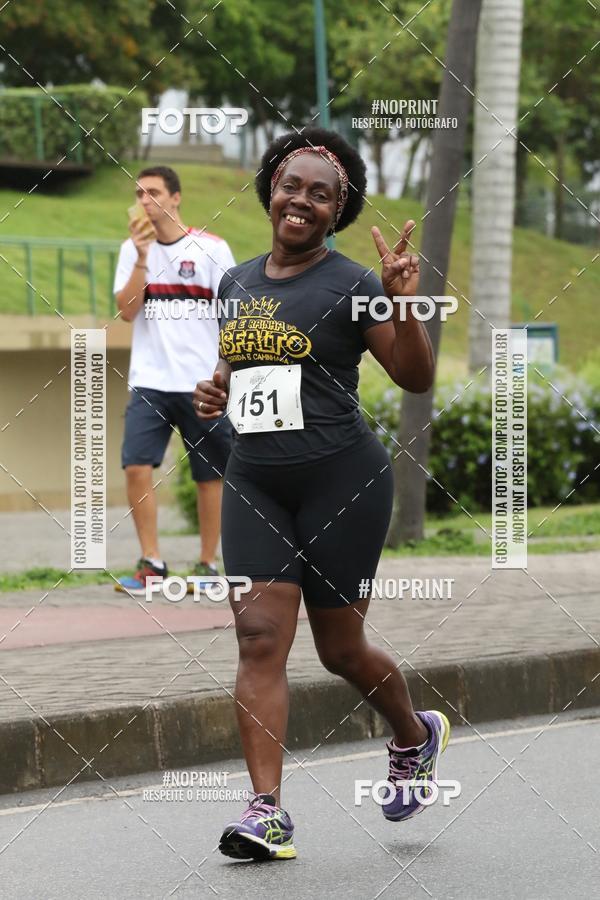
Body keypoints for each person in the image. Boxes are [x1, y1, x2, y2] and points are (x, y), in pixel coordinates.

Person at [194, 128, 450, 861]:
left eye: (320, 193)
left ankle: (413, 734)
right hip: (256, 481)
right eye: (291, 185)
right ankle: (266, 813)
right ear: (270, 190)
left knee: (341, 651)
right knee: (259, 637)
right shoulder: (236, 282)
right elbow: (241, 365)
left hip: (342, 481)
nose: (300, 200)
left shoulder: (353, 284)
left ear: (338, 211)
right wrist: (218, 386)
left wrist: (404, 304)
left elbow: (415, 378)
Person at [114, 165, 235, 594]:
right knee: (136, 466)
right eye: (139, 194)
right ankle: (152, 563)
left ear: (176, 198)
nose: (145, 201)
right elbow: (127, 310)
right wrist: (144, 257)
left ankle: (207, 564)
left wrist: (226, 373)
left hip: (203, 382)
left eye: (153, 193)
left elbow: (233, 317)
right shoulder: (132, 250)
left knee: (210, 475)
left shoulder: (214, 250)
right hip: (150, 381)